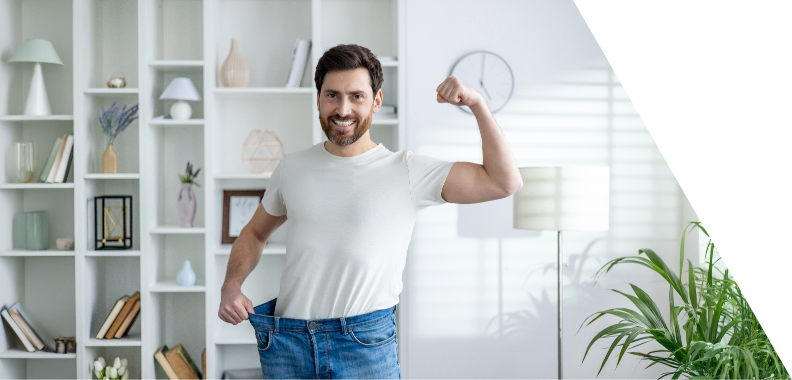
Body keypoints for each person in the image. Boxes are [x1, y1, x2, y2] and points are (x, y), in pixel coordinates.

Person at [218, 44, 522, 380]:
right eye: (332, 95)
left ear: (376, 101)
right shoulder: (292, 167)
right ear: (318, 99)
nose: (343, 109)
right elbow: (254, 233)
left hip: (362, 345)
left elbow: (503, 182)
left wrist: (477, 104)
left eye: (356, 96)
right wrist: (231, 286)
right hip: (288, 344)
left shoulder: (406, 170)